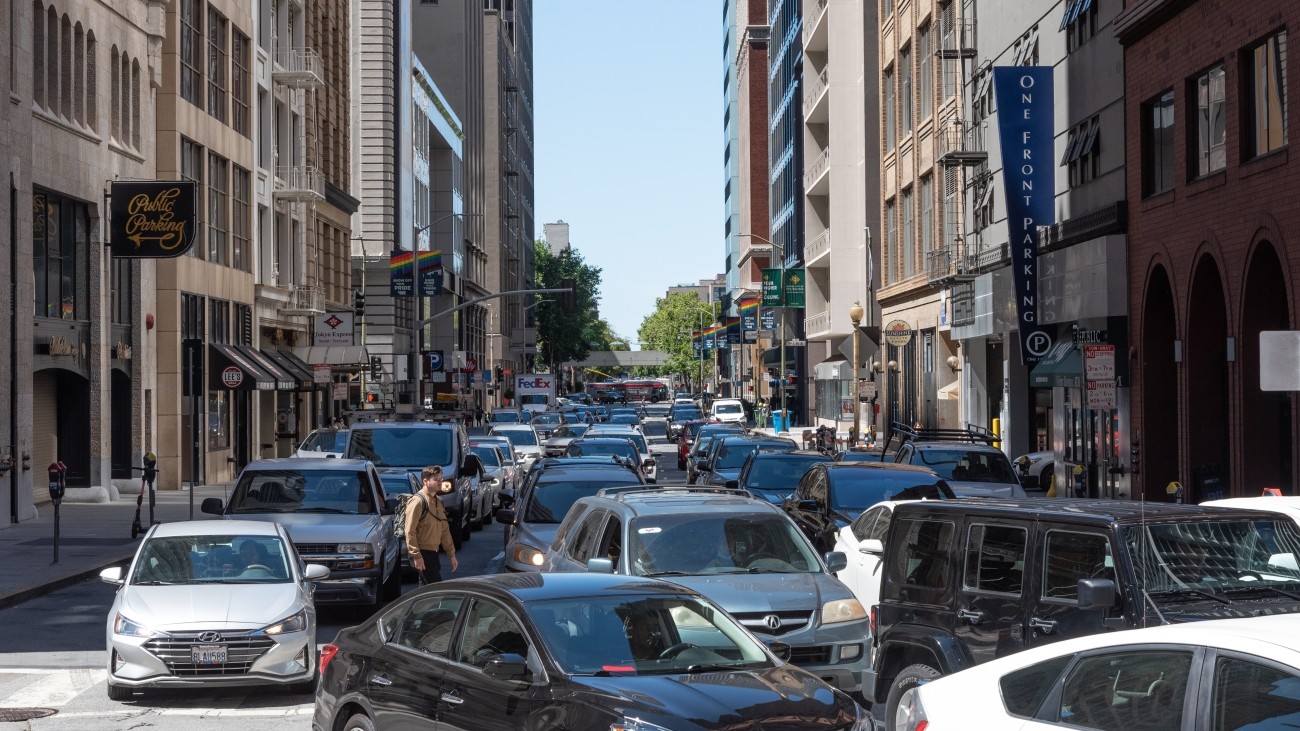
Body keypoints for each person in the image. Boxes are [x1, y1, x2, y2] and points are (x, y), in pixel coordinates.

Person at [405, 465, 459, 585]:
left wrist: (451, 555)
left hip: (433, 553)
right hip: (422, 552)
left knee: (426, 593)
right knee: (435, 590)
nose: (439, 483)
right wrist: (417, 556)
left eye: (441, 479)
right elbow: (409, 531)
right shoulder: (418, 501)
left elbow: (444, 530)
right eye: (436, 480)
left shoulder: (439, 501)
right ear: (425, 481)